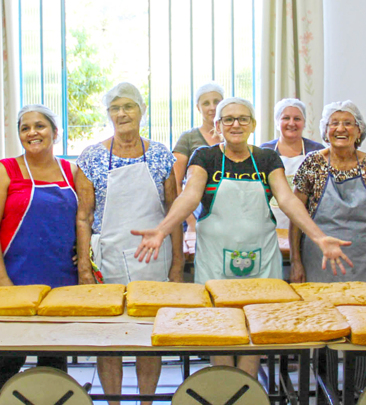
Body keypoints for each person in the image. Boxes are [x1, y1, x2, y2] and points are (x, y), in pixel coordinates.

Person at [134, 97, 352, 375]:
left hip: (261, 259)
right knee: (219, 329)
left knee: (257, 327)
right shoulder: (205, 156)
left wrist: (319, 237)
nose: (236, 124)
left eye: (243, 119)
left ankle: (248, 390)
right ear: (217, 125)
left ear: (253, 125)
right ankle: (224, 387)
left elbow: (286, 199)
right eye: (228, 119)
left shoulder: (266, 158)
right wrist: (163, 229)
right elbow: (190, 195)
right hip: (214, 261)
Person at [75, 82, 183, 405]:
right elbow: (83, 216)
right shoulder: (92, 157)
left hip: (153, 257)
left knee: (149, 338)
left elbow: (173, 210)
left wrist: (177, 263)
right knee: (110, 339)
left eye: (129, 107)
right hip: (107, 257)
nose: (122, 114)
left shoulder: (160, 154)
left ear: (141, 111)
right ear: (108, 114)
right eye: (115, 108)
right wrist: (82, 270)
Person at [0, 104, 81, 403]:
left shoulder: (70, 170)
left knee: (54, 361)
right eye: (25, 128)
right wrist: (2, 281)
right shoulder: (5, 169)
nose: (32, 133)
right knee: (9, 360)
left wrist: (82, 252)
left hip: (61, 280)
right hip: (16, 279)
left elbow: (84, 219)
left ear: (55, 132)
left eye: (40, 126)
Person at [291, 101, 366, 285]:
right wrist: (296, 262)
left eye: (348, 123)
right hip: (318, 262)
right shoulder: (312, 163)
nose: (341, 129)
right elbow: (296, 215)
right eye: (334, 123)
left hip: (364, 263)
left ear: (359, 130)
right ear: (325, 131)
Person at [261, 98, 325, 229]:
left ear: (304, 123)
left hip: (307, 221)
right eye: (286, 118)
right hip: (270, 222)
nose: (291, 123)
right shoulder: (264, 151)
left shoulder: (317, 151)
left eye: (297, 119)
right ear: (277, 122)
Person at [172, 82, 224, 186]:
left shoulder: (232, 136)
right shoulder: (188, 137)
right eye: (206, 103)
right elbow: (176, 182)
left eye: (216, 102)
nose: (212, 107)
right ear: (198, 108)